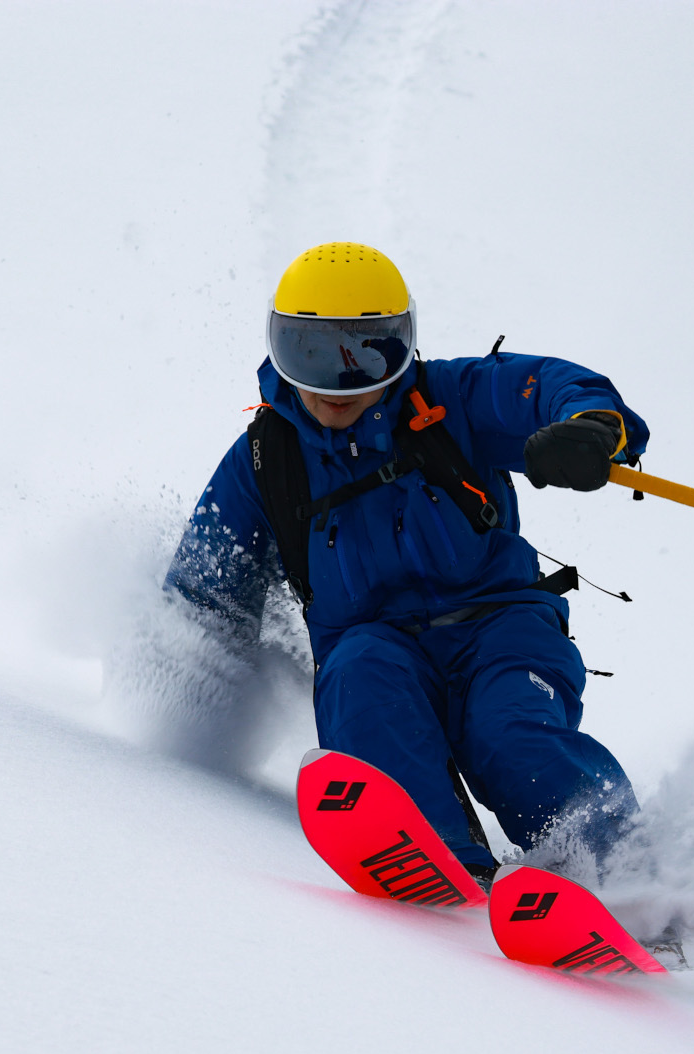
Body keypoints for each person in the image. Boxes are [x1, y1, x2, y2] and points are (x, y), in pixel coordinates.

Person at [164, 242, 646, 886]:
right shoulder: (265, 460)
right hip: (371, 645)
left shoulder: (452, 401)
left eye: (368, 354)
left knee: (509, 736)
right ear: (279, 348)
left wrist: (589, 427)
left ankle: (631, 875)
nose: (338, 385)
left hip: (501, 628)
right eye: (311, 353)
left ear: (402, 344)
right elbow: (204, 588)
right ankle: (445, 869)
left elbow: (545, 389)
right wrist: (183, 693)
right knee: (362, 682)